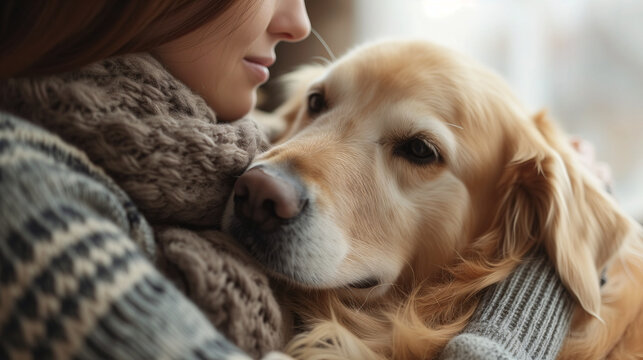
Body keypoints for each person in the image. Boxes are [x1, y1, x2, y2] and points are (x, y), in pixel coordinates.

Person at [0, 1, 580, 359]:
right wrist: (536, 289)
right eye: (319, 102)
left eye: (417, 149)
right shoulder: (21, 184)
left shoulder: (202, 150)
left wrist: (567, 221)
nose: (298, 20)